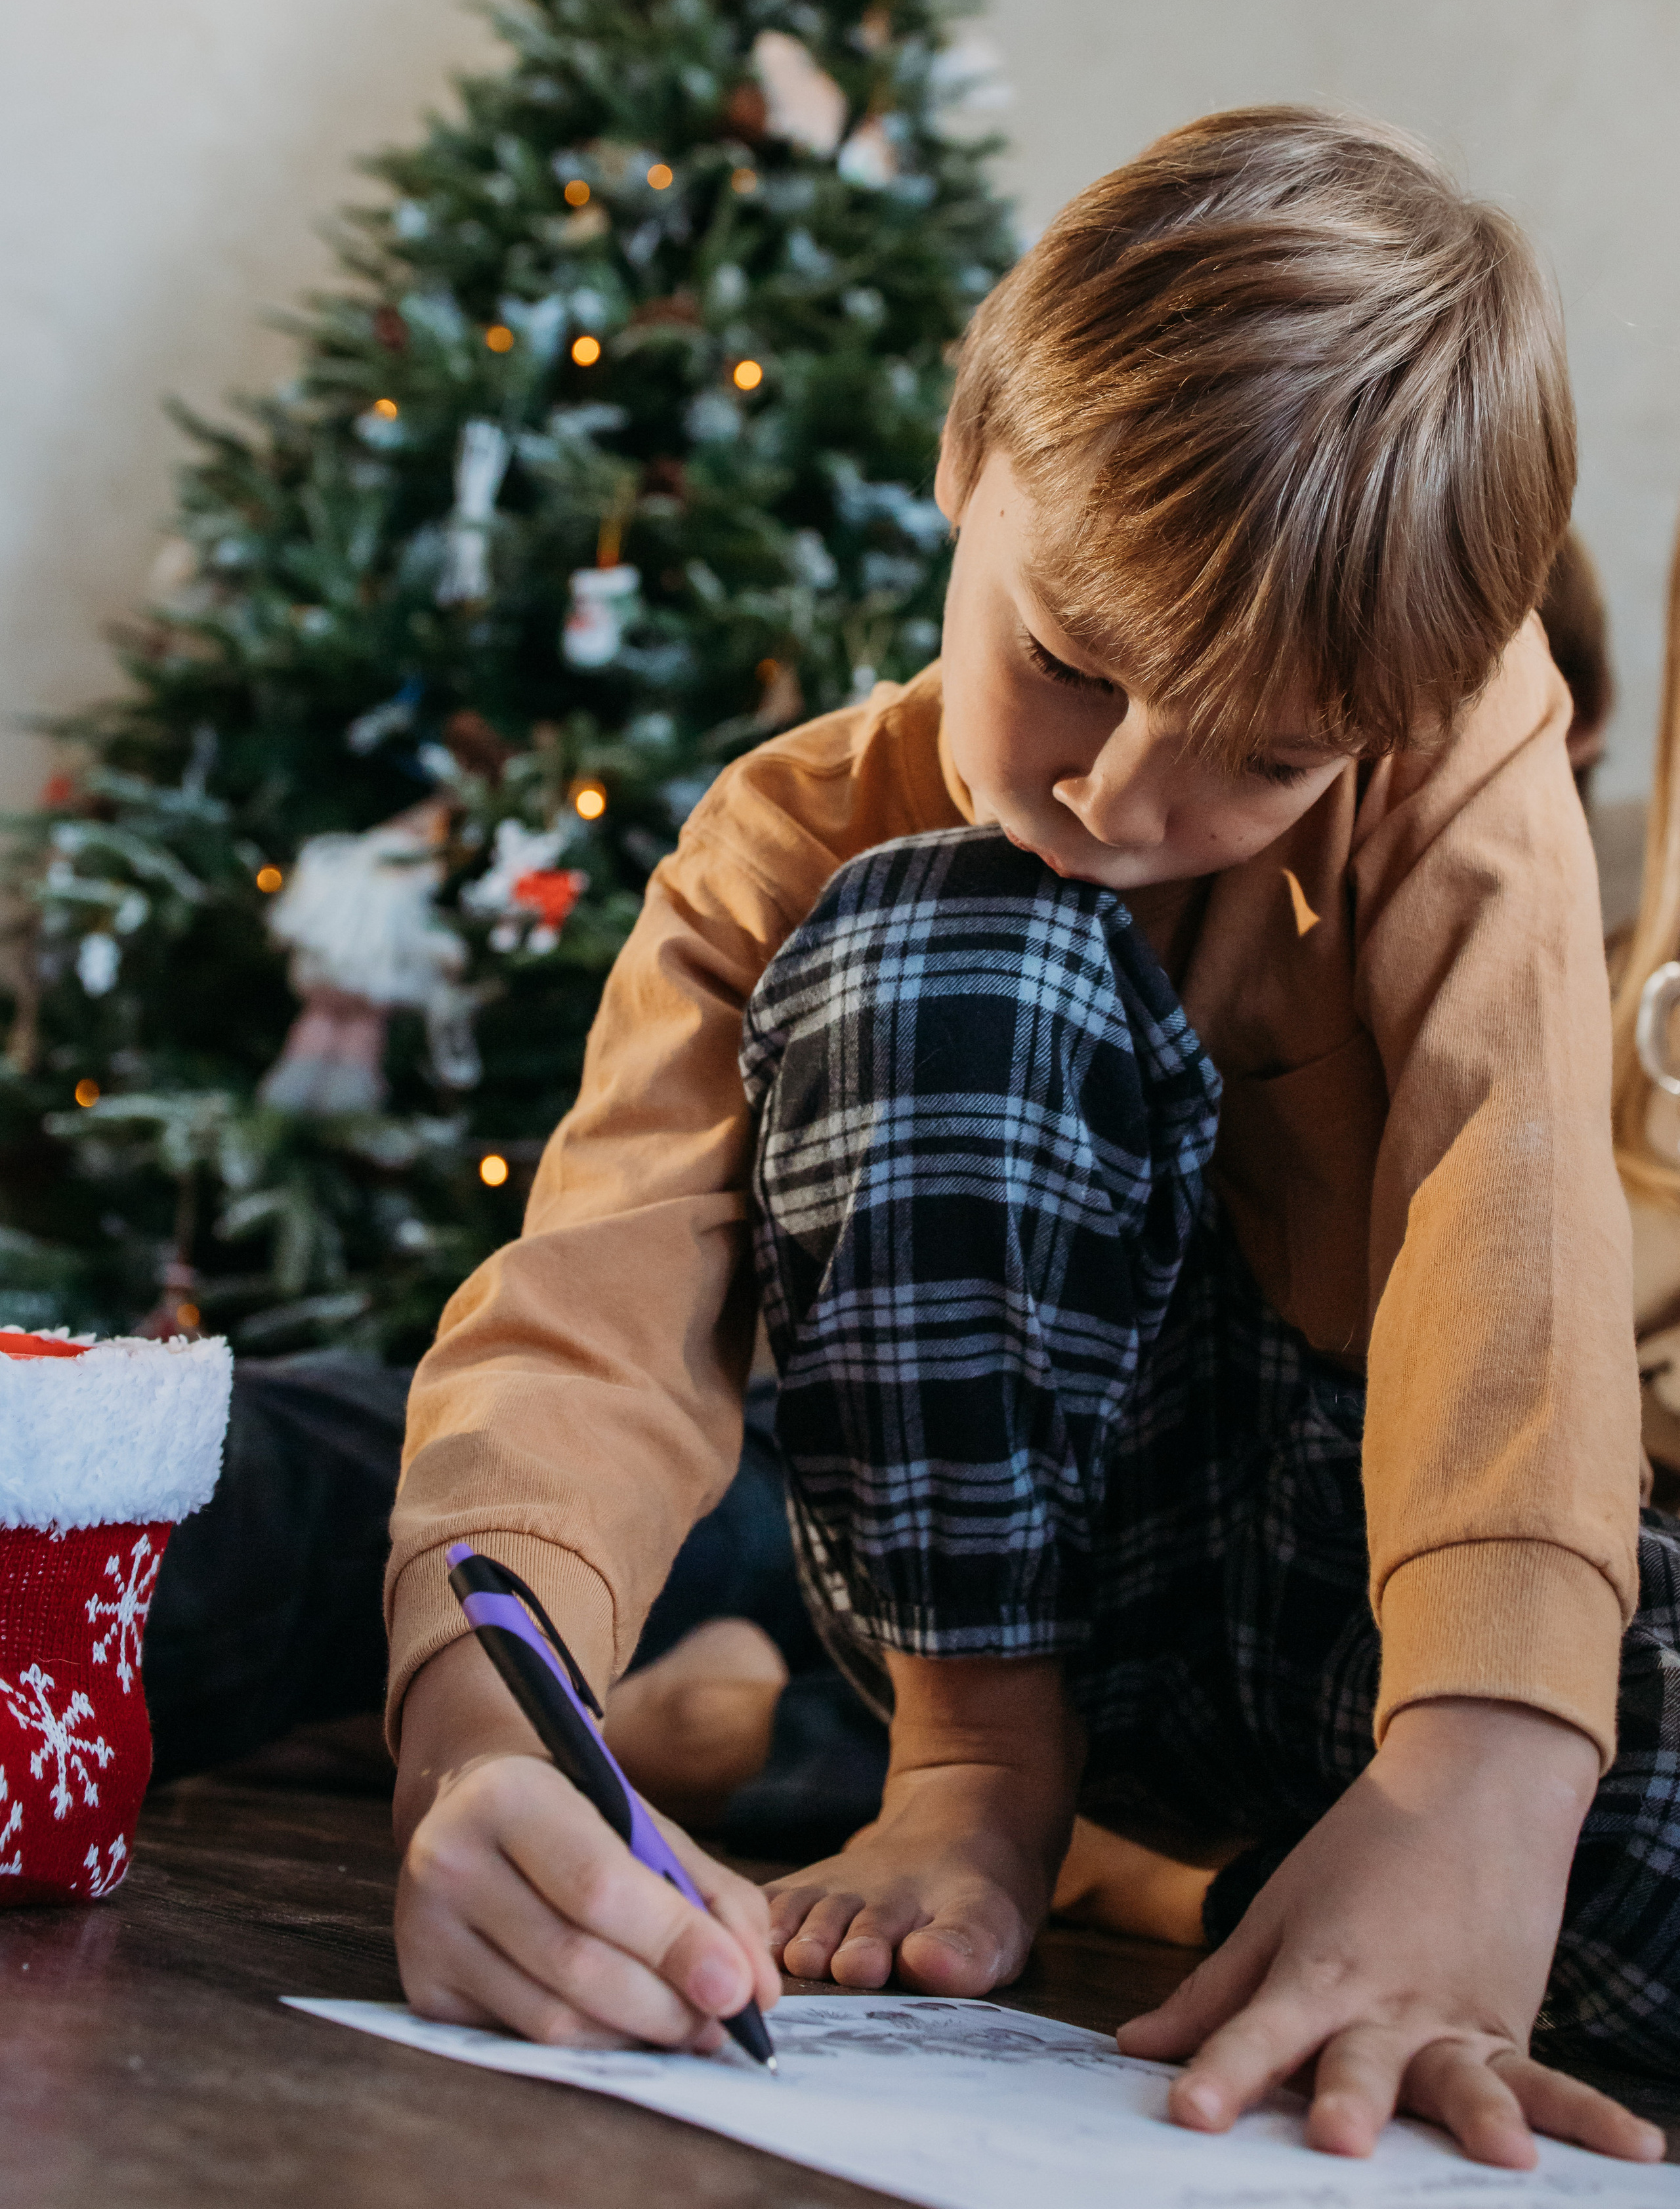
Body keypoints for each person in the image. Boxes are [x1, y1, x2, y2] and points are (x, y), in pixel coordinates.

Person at [387, 108, 1678, 2169]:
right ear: (967, 462)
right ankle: (981, 1774)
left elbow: (1501, 1190)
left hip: (1360, 1594)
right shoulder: (780, 839)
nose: (1126, 802)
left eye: (1269, 759)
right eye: (1070, 663)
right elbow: (585, 1329)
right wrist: (481, 1741)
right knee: (940, 939)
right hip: (996, 1582)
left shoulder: (1462, 729)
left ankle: (1265, 1898)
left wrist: (1481, 1790)